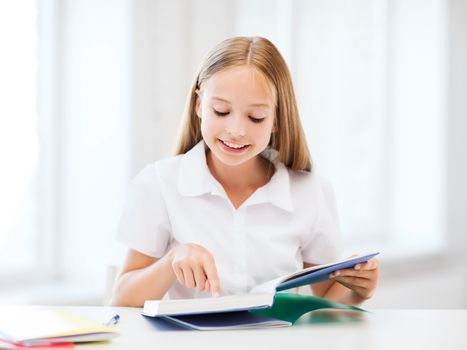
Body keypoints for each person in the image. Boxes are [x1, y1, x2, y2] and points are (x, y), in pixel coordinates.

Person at [111, 36, 379, 307]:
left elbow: (328, 300)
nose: (236, 130)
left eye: (256, 118)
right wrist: (172, 260)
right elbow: (122, 300)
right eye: (221, 111)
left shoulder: (311, 192)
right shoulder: (159, 183)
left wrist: (358, 290)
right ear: (199, 105)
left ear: (276, 119)